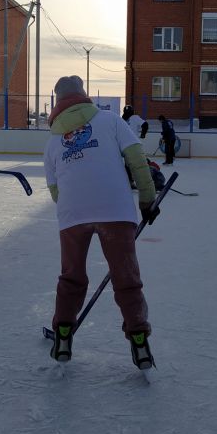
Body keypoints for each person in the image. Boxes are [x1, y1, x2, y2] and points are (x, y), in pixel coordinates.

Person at [44, 76, 159, 370]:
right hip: (115, 211)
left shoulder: (54, 140)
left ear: (57, 102)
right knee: (126, 276)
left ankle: (64, 333)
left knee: (71, 277)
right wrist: (147, 199)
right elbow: (136, 158)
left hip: (72, 215)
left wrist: (78, 209)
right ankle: (139, 341)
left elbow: (55, 190)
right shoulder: (109, 120)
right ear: (83, 95)